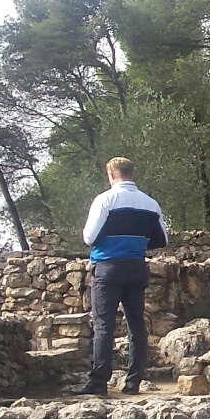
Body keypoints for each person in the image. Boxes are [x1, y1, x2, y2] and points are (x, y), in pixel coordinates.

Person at [71, 157, 168, 395]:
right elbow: (162, 239)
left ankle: (98, 383)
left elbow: (89, 237)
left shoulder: (105, 199)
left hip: (108, 266)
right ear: (131, 173)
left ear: (111, 175)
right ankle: (133, 382)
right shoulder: (151, 204)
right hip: (136, 266)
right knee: (136, 325)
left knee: (104, 324)